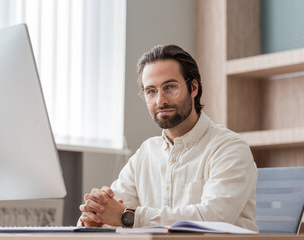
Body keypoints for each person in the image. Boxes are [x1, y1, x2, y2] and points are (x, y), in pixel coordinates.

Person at [78, 44, 258, 231]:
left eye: (170, 87)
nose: (160, 101)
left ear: (193, 88)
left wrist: (128, 216)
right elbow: (114, 211)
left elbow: (213, 219)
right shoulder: (145, 154)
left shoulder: (229, 148)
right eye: (151, 91)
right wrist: (96, 218)